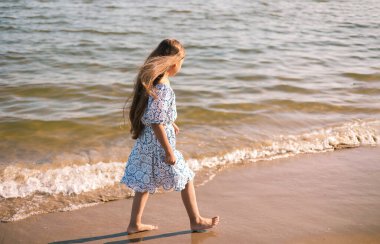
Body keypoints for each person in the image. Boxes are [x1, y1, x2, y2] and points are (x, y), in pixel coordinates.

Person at [120, 38, 220, 234]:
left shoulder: (154, 82)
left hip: (147, 144)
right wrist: (169, 151)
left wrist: (170, 121)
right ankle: (196, 220)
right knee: (186, 178)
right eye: (182, 61)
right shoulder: (163, 88)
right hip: (159, 146)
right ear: (174, 63)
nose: (181, 65)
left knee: (144, 183)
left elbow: (154, 114)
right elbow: (156, 121)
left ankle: (135, 224)